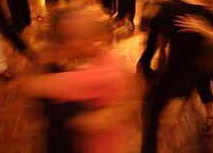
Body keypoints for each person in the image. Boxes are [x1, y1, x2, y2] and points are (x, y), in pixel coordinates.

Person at [140, 0, 213, 153]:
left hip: (174, 74)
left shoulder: (169, 8)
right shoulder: (206, 12)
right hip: (194, 76)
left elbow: (155, 33)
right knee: (179, 100)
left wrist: (162, 51)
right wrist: (203, 29)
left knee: (151, 110)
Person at [24, 8, 136, 153]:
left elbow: (34, 86)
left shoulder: (95, 74)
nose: (71, 44)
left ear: (92, 40)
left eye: (75, 37)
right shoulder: (106, 59)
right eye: (67, 38)